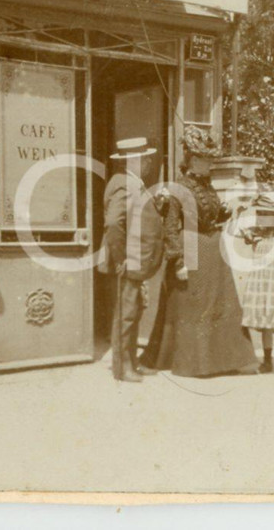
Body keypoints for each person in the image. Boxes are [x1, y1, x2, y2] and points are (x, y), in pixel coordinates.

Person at [139, 126, 258, 378]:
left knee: (222, 305)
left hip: (214, 252)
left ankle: (225, 361)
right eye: (206, 160)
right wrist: (178, 261)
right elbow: (171, 227)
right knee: (194, 307)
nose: (210, 164)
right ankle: (197, 364)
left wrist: (227, 210)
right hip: (191, 250)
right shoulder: (178, 187)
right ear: (193, 160)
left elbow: (211, 216)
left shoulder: (207, 185)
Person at [99, 137, 164, 383]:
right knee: (125, 315)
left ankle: (132, 363)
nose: (149, 162)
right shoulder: (124, 185)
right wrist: (122, 258)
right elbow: (114, 224)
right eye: (145, 158)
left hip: (135, 259)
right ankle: (122, 367)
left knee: (133, 312)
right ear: (133, 161)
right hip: (128, 260)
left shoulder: (133, 183)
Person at [232, 184, 274, 374]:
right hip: (262, 275)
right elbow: (238, 229)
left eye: (272, 213)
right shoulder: (259, 230)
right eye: (265, 212)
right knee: (265, 319)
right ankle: (268, 360)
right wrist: (241, 213)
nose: (268, 216)